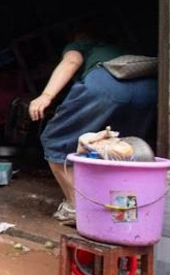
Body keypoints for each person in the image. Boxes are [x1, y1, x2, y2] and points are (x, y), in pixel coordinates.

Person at [29, 26, 156, 224]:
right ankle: (122, 215)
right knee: (126, 151)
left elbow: (71, 61)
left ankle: (76, 208)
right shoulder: (121, 49)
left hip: (106, 87)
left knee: (55, 140)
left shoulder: (83, 45)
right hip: (149, 91)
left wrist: (46, 96)